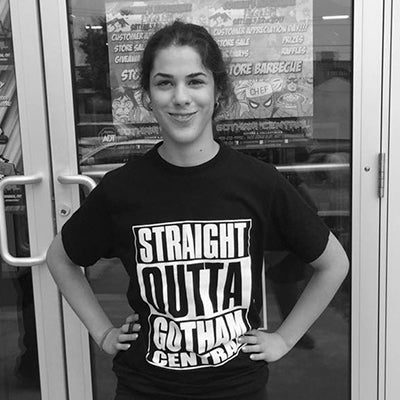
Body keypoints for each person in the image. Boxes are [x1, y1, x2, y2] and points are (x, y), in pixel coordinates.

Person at [46, 20, 349, 400]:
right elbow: (60, 259)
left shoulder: (259, 183)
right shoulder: (121, 189)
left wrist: (285, 338)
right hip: (145, 388)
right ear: (147, 96)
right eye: (164, 83)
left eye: (195, 81)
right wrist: (103, 333)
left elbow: (333, 263)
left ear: (218, 91)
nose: (180, 97)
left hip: (237, 388)